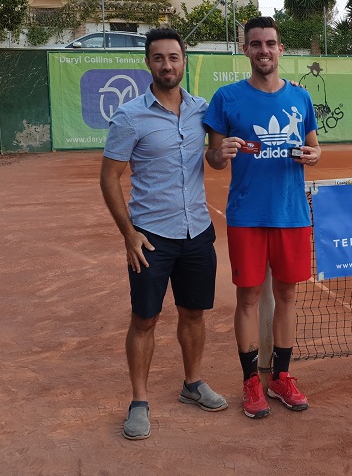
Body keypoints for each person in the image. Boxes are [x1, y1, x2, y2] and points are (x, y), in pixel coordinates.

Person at [100, 27, 227, 441]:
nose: (167, 65)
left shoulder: (202, 110)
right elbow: (109, 178)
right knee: (145, 319)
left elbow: (221, 145)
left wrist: (291, 85)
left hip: (198, 234)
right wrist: (128, 235)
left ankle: (192, 384)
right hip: (150, 237)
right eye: (159, 58)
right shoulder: (130, 115)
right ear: (148, 63)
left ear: (184, 61)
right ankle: (139, 401)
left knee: (194, 313)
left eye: (174, 57)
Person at [203, 16, 321, 419]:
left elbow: (313, 147)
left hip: (292, 214)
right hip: (247, 216)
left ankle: (281, 377)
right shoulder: (226, 98)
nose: (264, 51)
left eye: (270, 44)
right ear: (246, 50)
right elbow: (213, 157)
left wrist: (315, 155)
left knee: (287, 296)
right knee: (248, 298)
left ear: (281, 49)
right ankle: (251, 381)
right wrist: (220, 154)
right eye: (256, 44)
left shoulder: (300, 98)